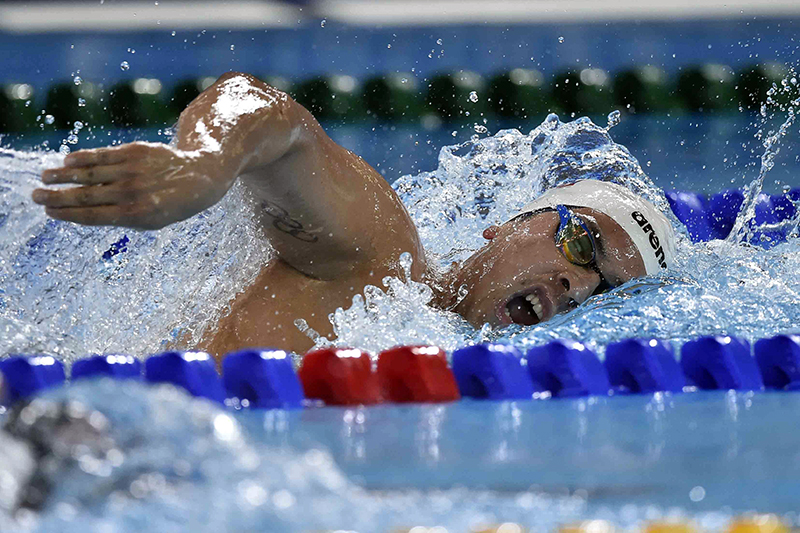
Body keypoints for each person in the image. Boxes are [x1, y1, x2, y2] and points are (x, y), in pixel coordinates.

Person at [31, 72, 676, 359]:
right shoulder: (381, 257)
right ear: (507, 225)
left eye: (608, 292)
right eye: (582, 244)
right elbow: (265, 111)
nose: (579, 284)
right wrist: (201, 165)